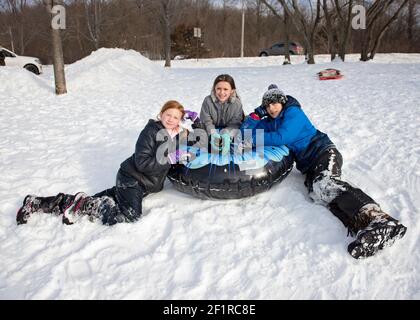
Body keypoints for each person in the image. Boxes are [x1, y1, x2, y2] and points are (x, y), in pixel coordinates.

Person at [240, 84, 407, 259]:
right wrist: (256, 114)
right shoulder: (270, 121)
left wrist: (253, 140)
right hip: (310, 164)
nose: (271, 108)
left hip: (323, 152)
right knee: (319, 194)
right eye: (267, 105)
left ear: (282, 102)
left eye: (274, 103)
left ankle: (380, 219)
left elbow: (284, 137)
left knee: (326, 184)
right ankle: (367, 230)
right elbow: (245, 131)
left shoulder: (293, 112)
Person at [16, 100, 197, 226]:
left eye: (176, 117)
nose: (171, 119)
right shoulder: (150, 131)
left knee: (96, 199)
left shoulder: (179, 133)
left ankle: (39, 203)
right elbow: (142, 163)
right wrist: (171, 158)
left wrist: (196, 122)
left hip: (143, 184)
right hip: (132, 179)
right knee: (130, 216)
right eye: (168, 115)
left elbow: (201, 139)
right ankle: (87, 206)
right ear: (161, 114)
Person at [200, 74, 245, 154]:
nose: (221, 92)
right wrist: (213, 134)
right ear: (214, 89)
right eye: (218, 89)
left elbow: (235, 123)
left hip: (230, 132)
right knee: (205, 144)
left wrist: (227, 134)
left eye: (225, 89)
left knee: (233, 146)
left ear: (232, 90)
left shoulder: (236, 103)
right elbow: (206, 121)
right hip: (211, 131)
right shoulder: (208, 101)